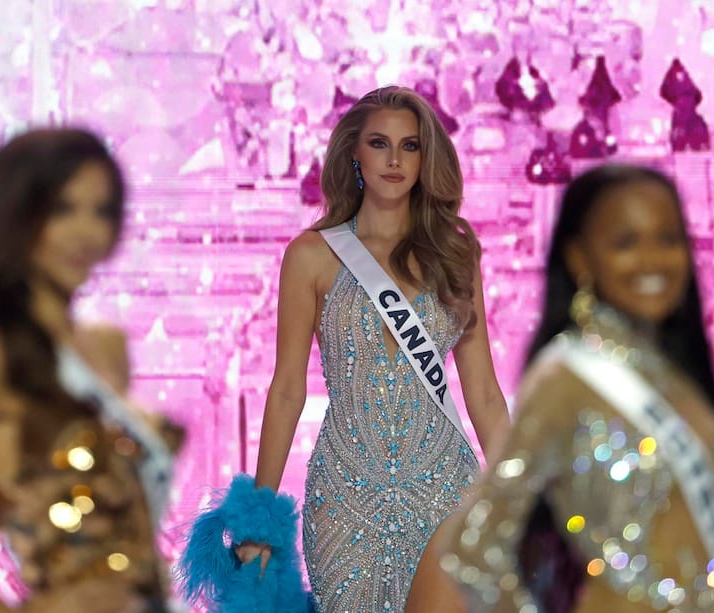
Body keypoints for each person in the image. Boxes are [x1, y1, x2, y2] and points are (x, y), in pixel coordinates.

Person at [181, 86, 510, 612]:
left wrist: (525, 498)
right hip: (346, 494)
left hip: (447, 485)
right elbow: (287, 390)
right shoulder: (311, 255)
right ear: (354, 153)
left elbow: (485, 394)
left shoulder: (456, 251)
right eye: (380, 144)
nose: (396, 160)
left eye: (410, 146)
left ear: (426, 158)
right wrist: (258, 520)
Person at [443, 164, 714, 612]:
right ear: (580, 259)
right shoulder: (566, 378)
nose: (652, 260)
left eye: (668, 239)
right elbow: (475, 547)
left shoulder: (674, 371)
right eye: (626, 242)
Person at [0, 128, 183, 613]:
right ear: (18, 215)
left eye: (101, 211)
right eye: (63, 208)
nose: (87, 231)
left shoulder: (107, 348)